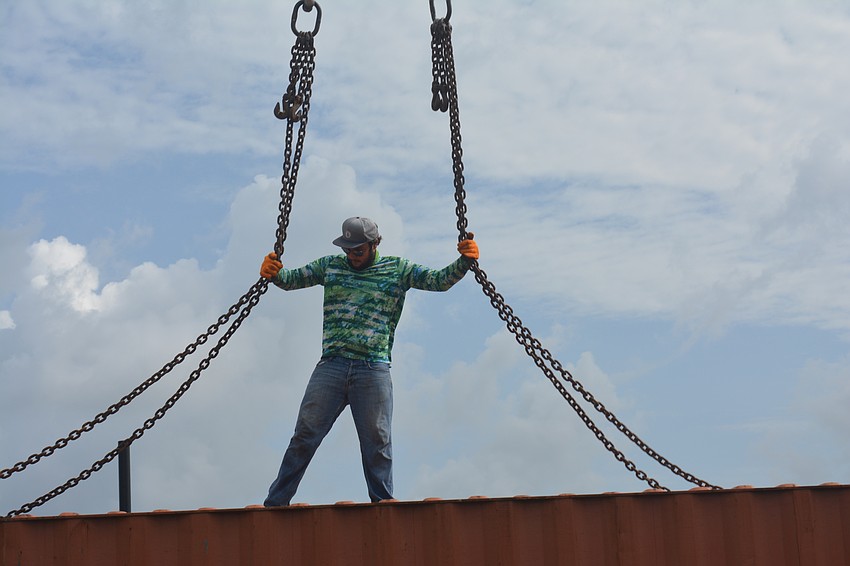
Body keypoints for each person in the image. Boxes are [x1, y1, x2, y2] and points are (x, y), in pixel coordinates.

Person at [260, 216, 479, 506]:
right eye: (348, 250)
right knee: (305, 434)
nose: (352, 256)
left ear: (375, 244)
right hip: (332, 365)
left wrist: (464, 261)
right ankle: (276, 502)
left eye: (358, 250)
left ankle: (383, 504)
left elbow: (438, 281)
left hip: (372, 368)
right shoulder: (330, 266)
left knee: (378, 441)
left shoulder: (397, 269)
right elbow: (290, 281)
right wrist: (274, 272)